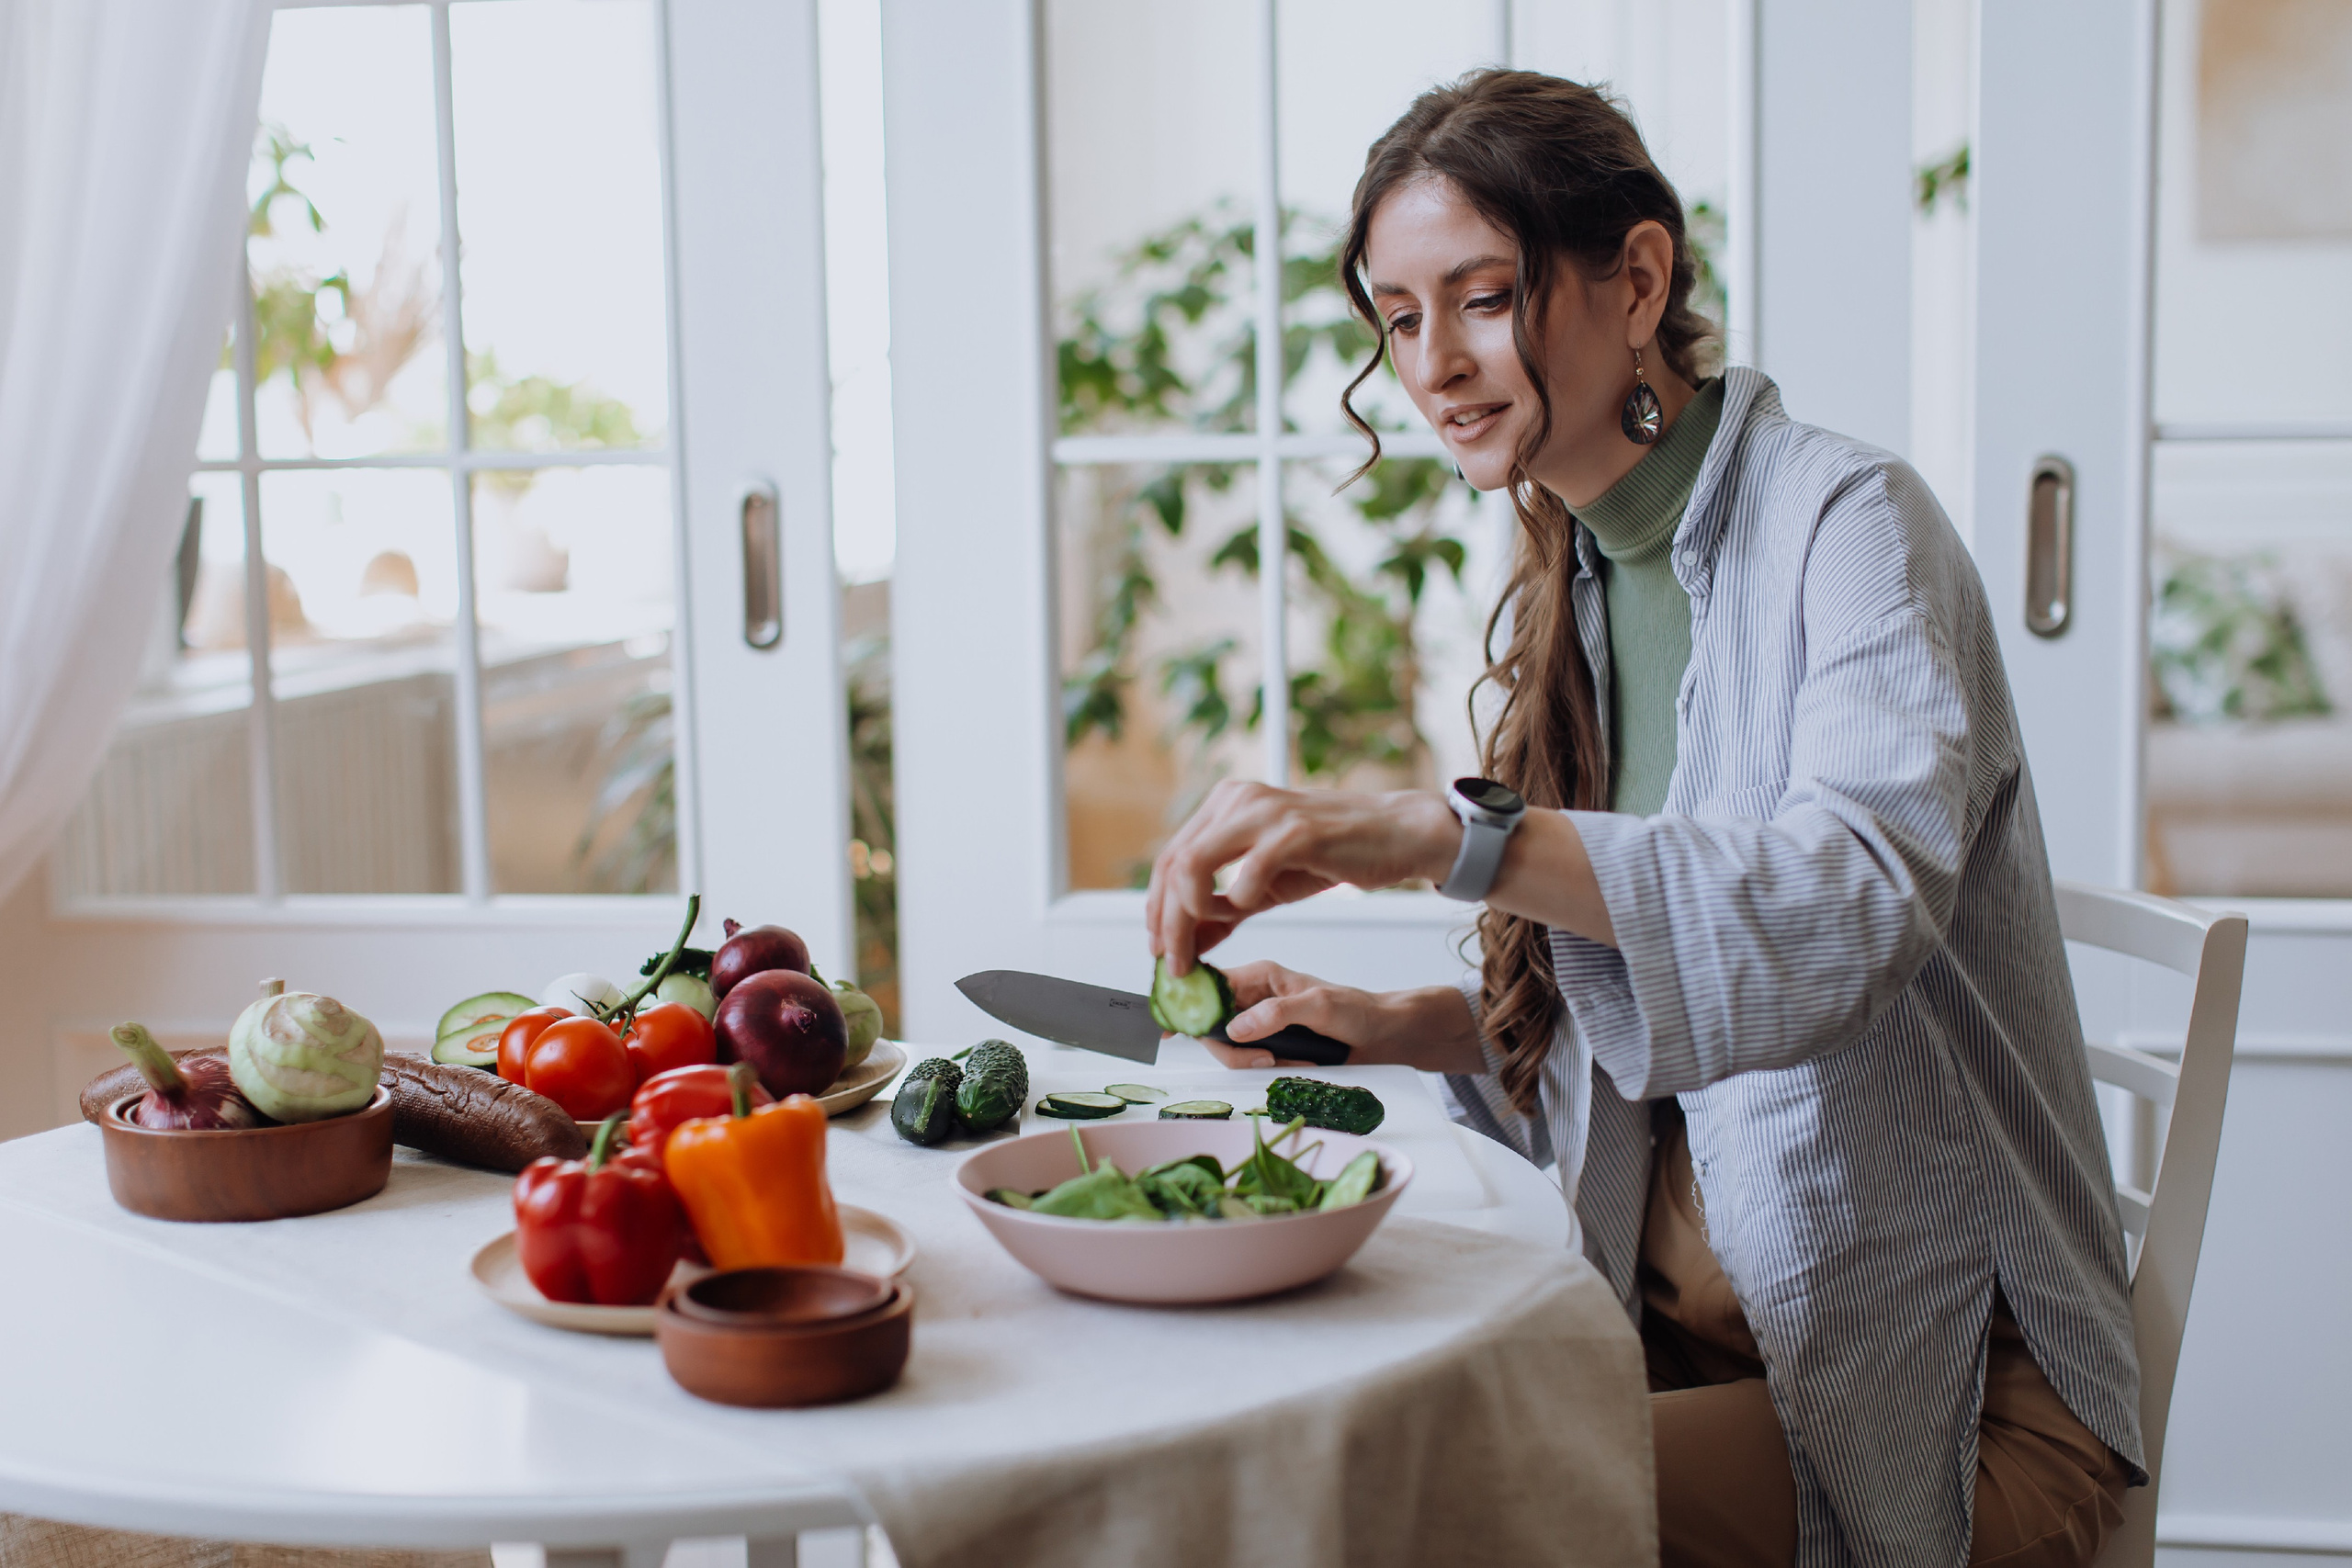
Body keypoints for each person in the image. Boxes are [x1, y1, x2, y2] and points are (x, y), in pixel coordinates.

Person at [1142, 70, 2140, 1568]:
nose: (1434, 367)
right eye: (1400, 319)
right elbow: (1670, 1051)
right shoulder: (1585, 584)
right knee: (1308, 1424)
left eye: (1481, 299)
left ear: (1640, 280)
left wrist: (1441, 835)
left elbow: (1844, 898)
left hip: (1937, 1397)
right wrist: (1407, 1025)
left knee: (1405, 1498)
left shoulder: (1852, 526)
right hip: (1698, 1344)